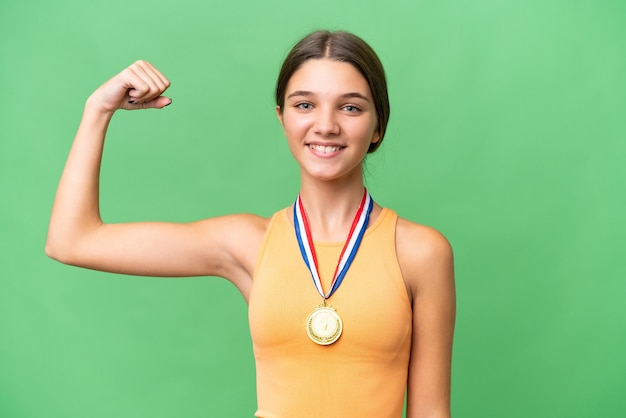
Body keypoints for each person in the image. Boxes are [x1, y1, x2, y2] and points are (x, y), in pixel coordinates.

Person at [46, 30, 455, 418]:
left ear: (378, 125)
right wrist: (97, 110)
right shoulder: (247, 243)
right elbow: (72, 241)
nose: (326, 125)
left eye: (350, 107)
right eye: (304, 104)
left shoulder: (420, 252)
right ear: (282, 118)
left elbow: (431, 411)